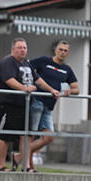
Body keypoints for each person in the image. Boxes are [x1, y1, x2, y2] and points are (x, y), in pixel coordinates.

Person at [0, 38, 58, 172]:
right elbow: (9, 80)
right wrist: (24, 88)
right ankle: (1, 166)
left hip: (24, 104)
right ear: (13, 49)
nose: (22, 50)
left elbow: (38, 80)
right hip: (7, 103)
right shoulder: (7, 62)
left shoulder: (27, 64)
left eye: (24, 48)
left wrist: (51, 90)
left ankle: (26, 166)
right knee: (5, 135)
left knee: (27, 135)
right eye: (19, 47)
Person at [27, 40, 80, 172]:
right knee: (31, 134)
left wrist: (69, 91)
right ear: (55, 50)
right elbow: (26, 65)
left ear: (68, 53)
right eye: (60, 49)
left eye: (65, 51)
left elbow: (76, 89)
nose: (62, 52)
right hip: (37, 101)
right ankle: (28, 164)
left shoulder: (67, 69)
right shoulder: (45, 60)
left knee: (48, 137)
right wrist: (30, 83)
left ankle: (20, 156)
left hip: (49, 106)